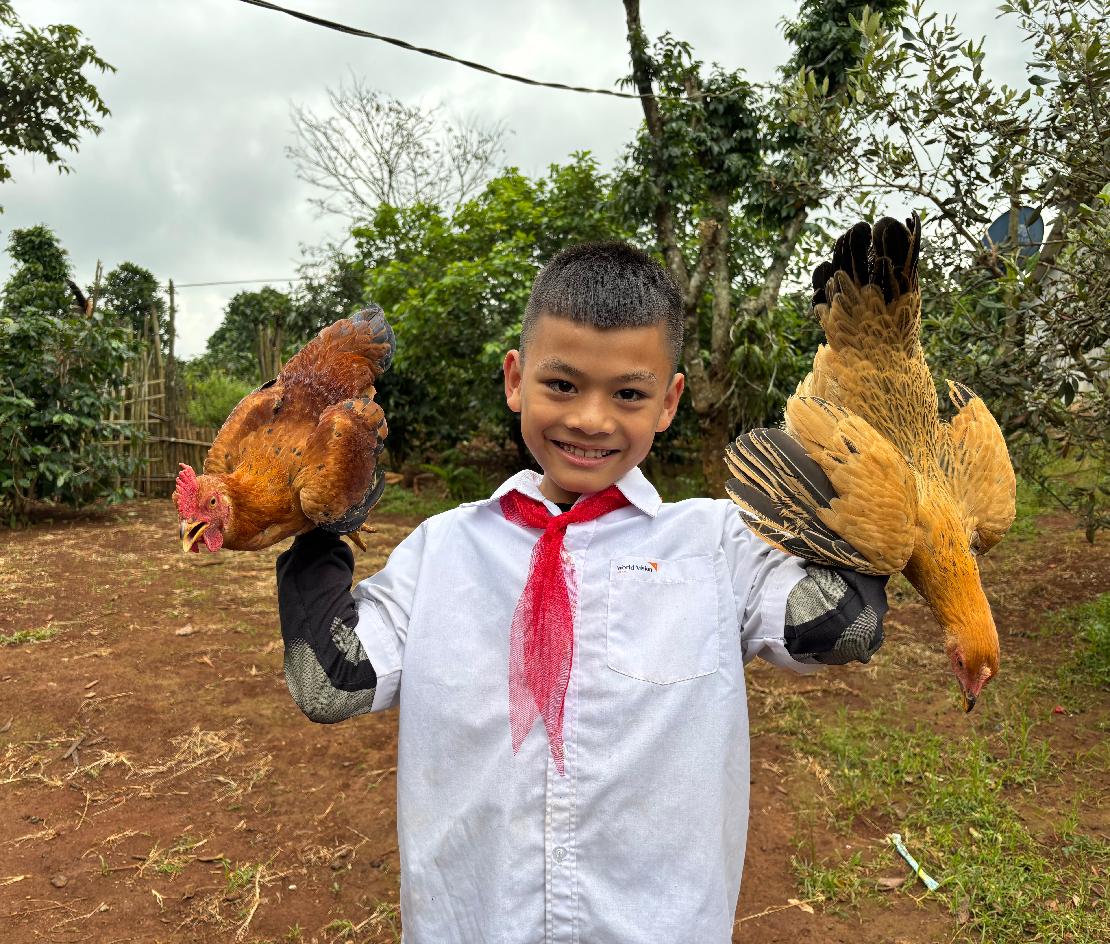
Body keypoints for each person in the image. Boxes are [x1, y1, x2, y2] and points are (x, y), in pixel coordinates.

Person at [276, 242, 888, 943]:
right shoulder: (442, 550)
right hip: (472, 922)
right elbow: (333, 682)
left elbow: (840, 626)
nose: (592, 419)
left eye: (629, 393)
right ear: (515, 378)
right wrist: (310, 512)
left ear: (669, 401)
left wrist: (870, 493)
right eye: (562, 385)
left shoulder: (718, 546)